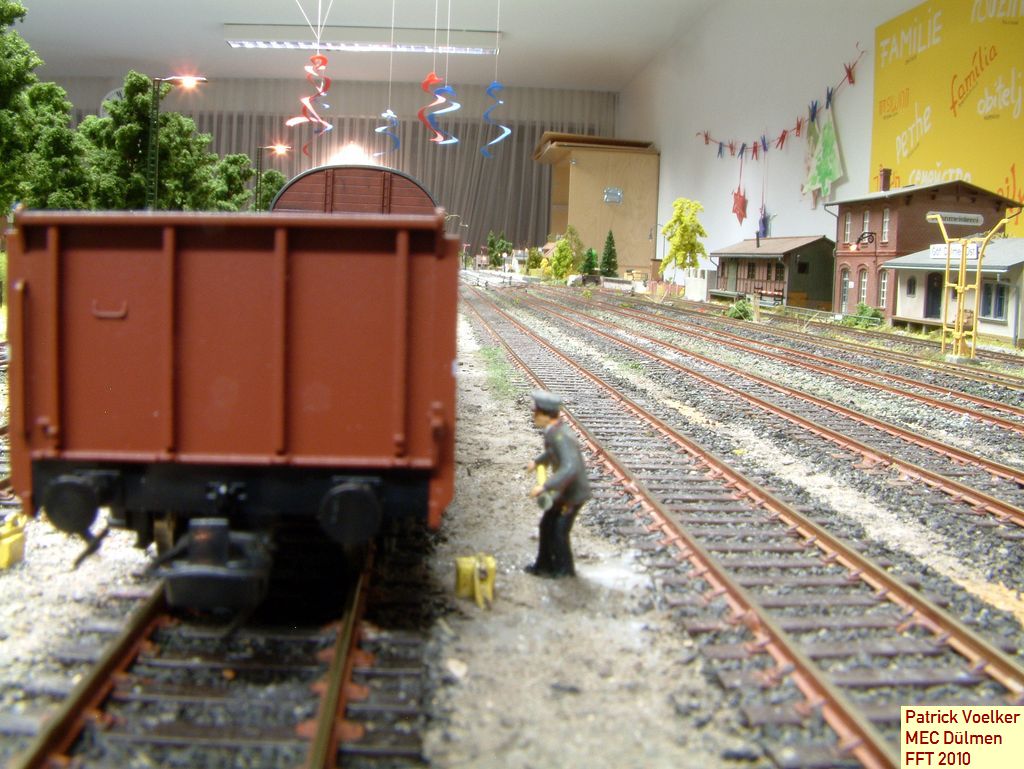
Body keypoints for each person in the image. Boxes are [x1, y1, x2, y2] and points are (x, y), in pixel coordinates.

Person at [525, 390, 591, 577]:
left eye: (536, 413)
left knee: (559, 533)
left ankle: (565, 571)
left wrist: (545, 486)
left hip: (572, 494)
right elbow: (552, 452)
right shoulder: (554, 431)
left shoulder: (560, 436)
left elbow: (570, 468)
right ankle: (544, 565)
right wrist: (538, 461)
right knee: (547, 526)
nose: (534, 415)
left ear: (546, 415)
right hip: (563, 491)